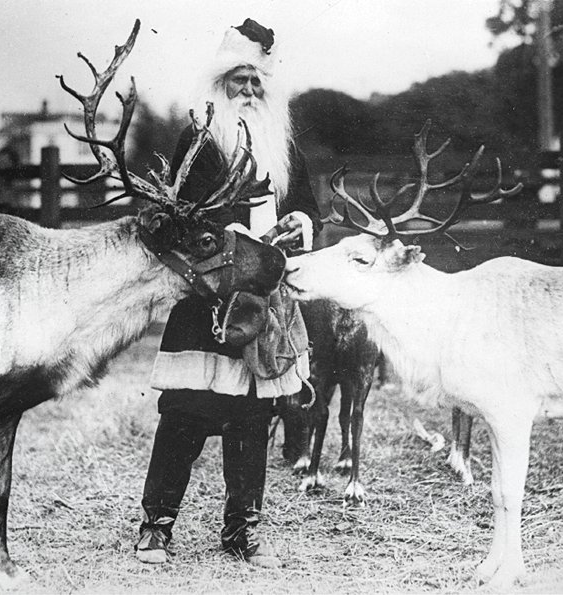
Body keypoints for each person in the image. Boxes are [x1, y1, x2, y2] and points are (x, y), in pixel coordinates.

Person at [135, 18, 323, 568]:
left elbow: (310, 206)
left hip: (265, 299)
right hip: (207, 297)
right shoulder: (198, 139)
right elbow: (179, 218)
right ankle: (157, 526)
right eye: (238, 80)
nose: (247, 91)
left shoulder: (283, 144)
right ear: (220, 84)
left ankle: (243, 531)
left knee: (253, 415)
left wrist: (299, 223)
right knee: (185, 411)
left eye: (256, 82)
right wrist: (228, 236)